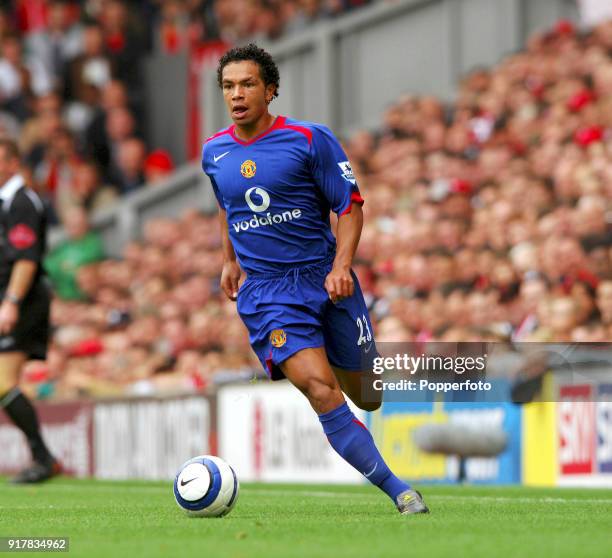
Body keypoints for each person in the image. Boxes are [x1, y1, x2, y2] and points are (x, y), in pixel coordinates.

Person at [202, 44, 428, 515]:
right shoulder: (214, 153)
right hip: (267, 293)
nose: (236, 94)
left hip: (326, 279)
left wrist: (342, 265)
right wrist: (229, 260)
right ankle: (401, 492)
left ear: (271, 90)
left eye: (247, 84)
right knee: (320, 389)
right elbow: (227, 206)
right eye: (228, 86)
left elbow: (349, 206)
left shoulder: (309, 139)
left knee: (369, 393)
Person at [0, 138, 60, 483]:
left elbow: (26, 259)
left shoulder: (23, 202)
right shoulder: (6, 202)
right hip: (10, 299)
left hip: (22, 301)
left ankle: (43, 458)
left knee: (3, 381)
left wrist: (11, 302)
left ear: (13, 164)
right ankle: (42, 456)